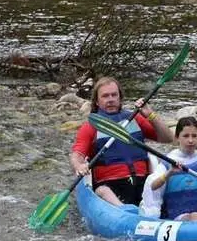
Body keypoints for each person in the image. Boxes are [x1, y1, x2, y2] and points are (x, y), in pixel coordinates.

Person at [69, 77, 174, 206]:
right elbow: (77, 155)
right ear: (96, 101)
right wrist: (79, 166)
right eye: (105, 96)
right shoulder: (90, 127)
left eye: (114, 95)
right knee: (104, 191)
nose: (111, 99)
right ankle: (123, 210)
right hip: (110, 186)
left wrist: (151, 115)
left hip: (143, 183)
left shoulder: (134, 119)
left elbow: (167, 138)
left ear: (120, 98)